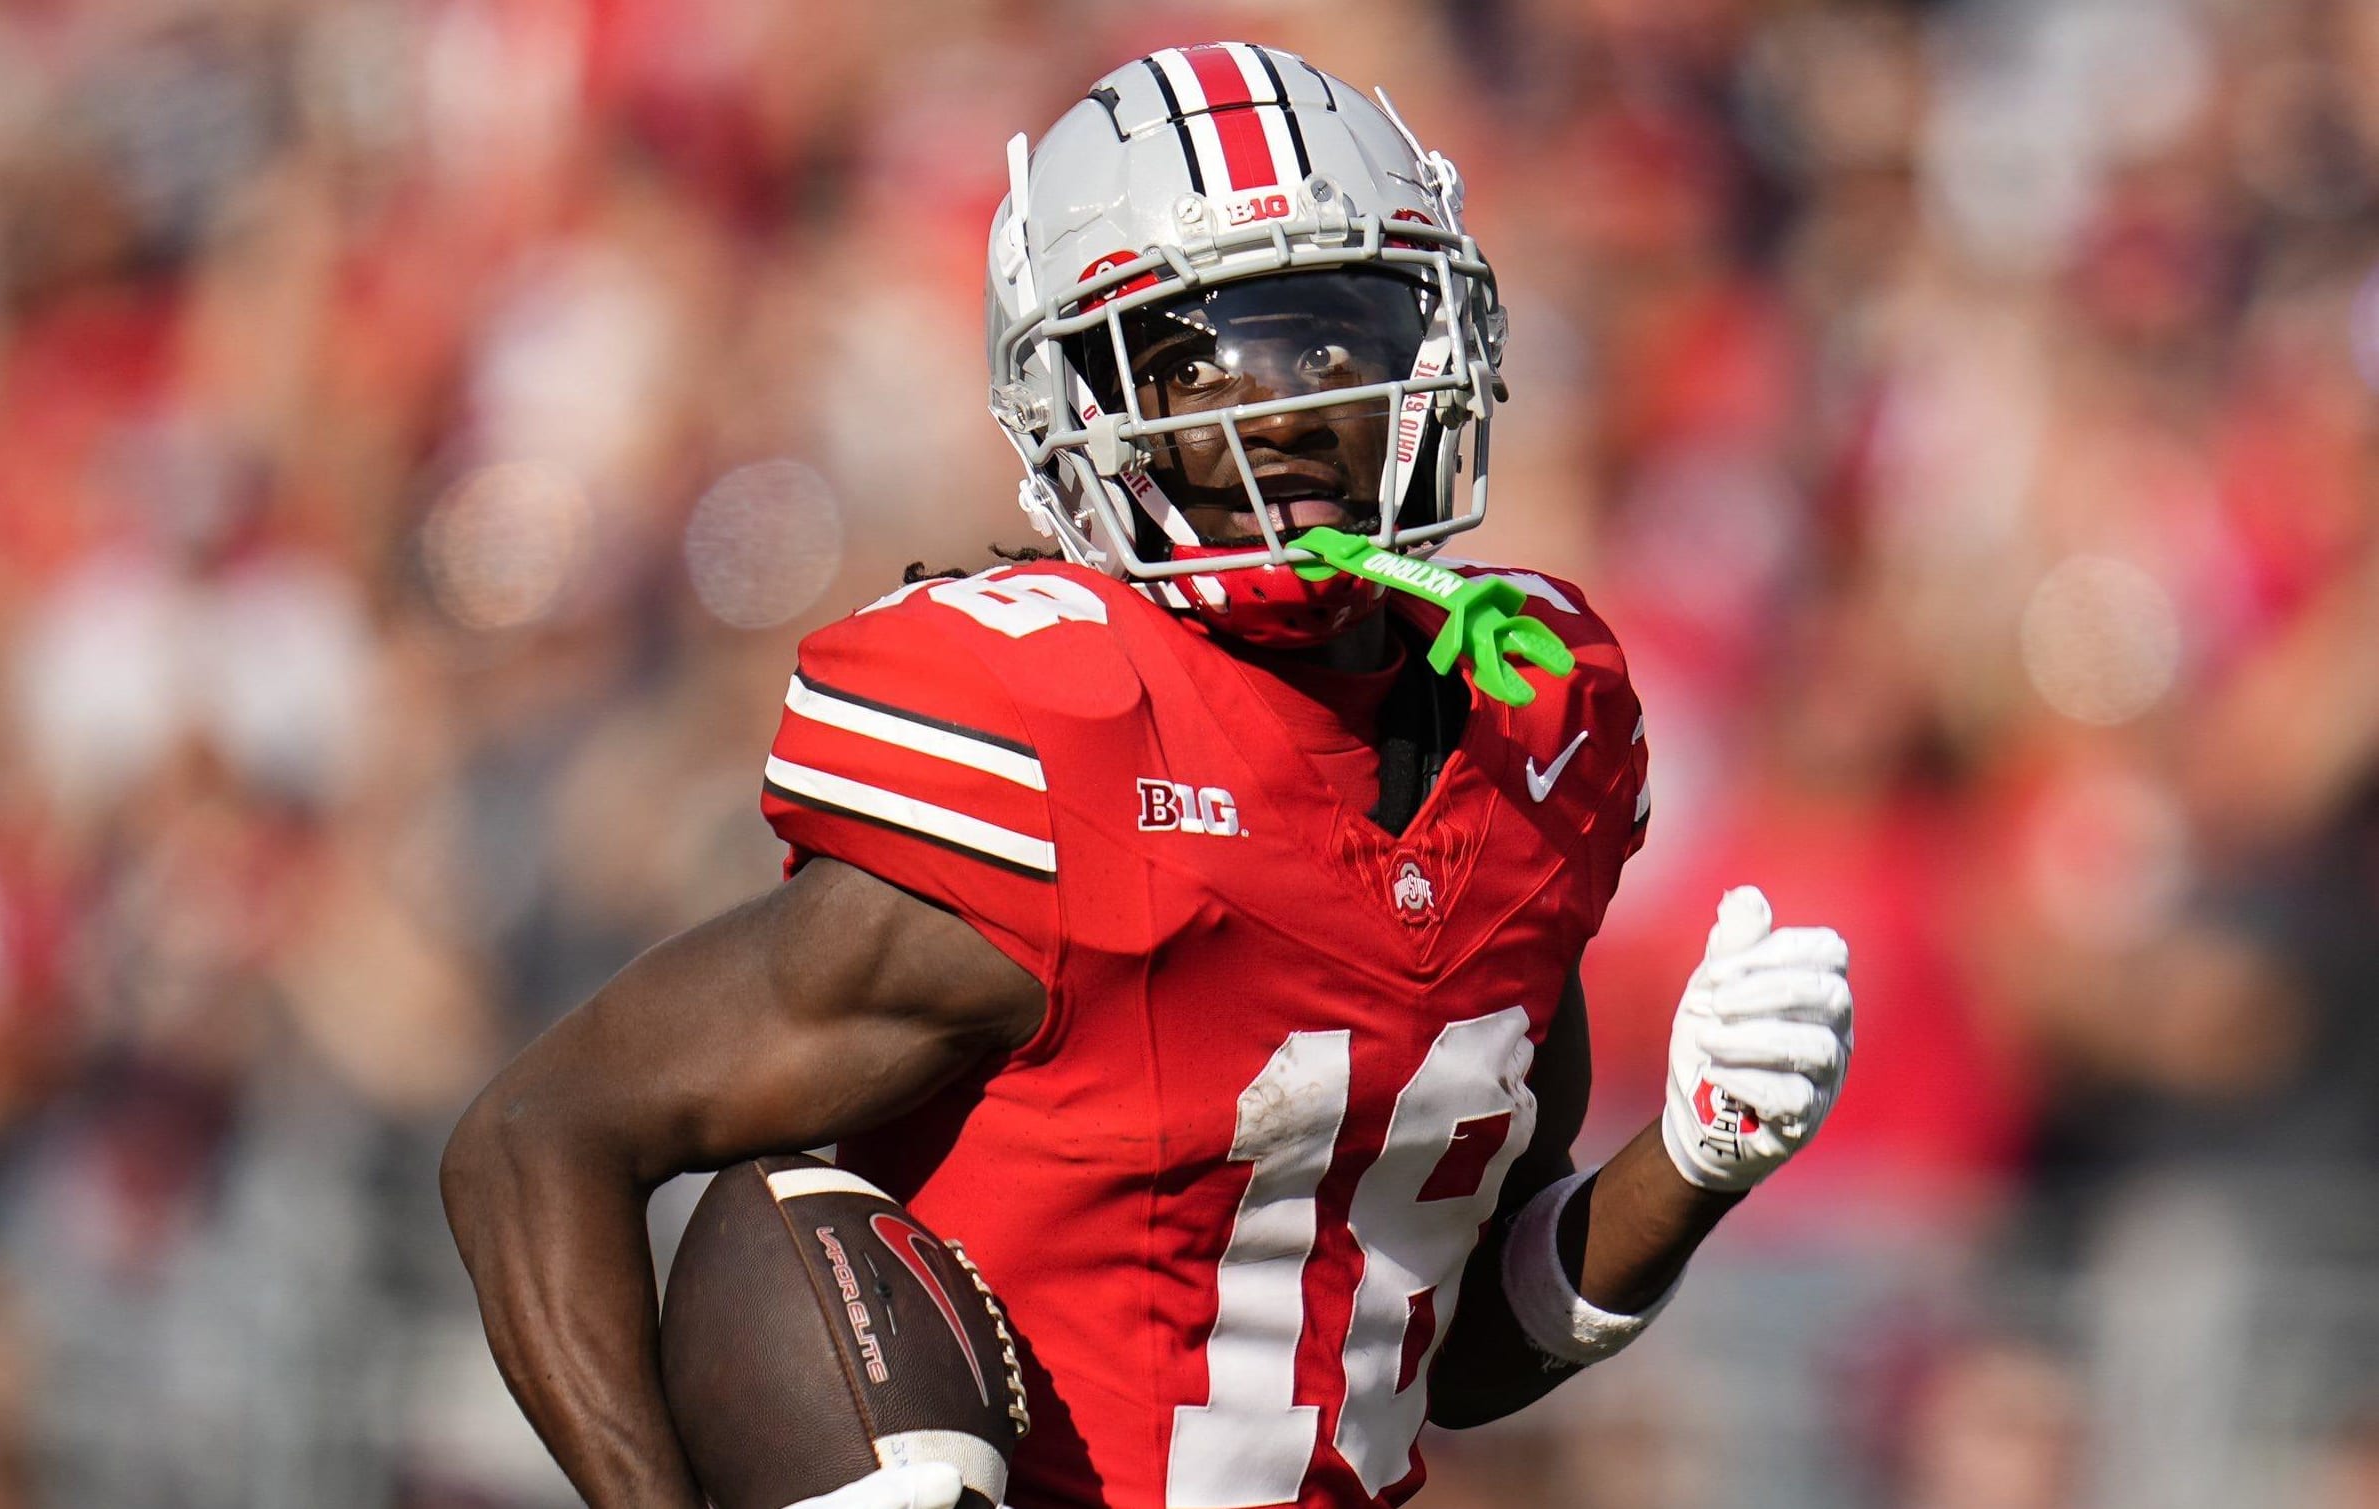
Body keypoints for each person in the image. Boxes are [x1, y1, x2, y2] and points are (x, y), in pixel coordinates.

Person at [441, 42, 1854, 1509]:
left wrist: (1688, 1166)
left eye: (1332, 338)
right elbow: (537, 1139)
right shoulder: (1060, 748)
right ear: (1073, 403)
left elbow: (1446, 1345)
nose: (1286, 404)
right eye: (1193, 354)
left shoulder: (1530, 742)